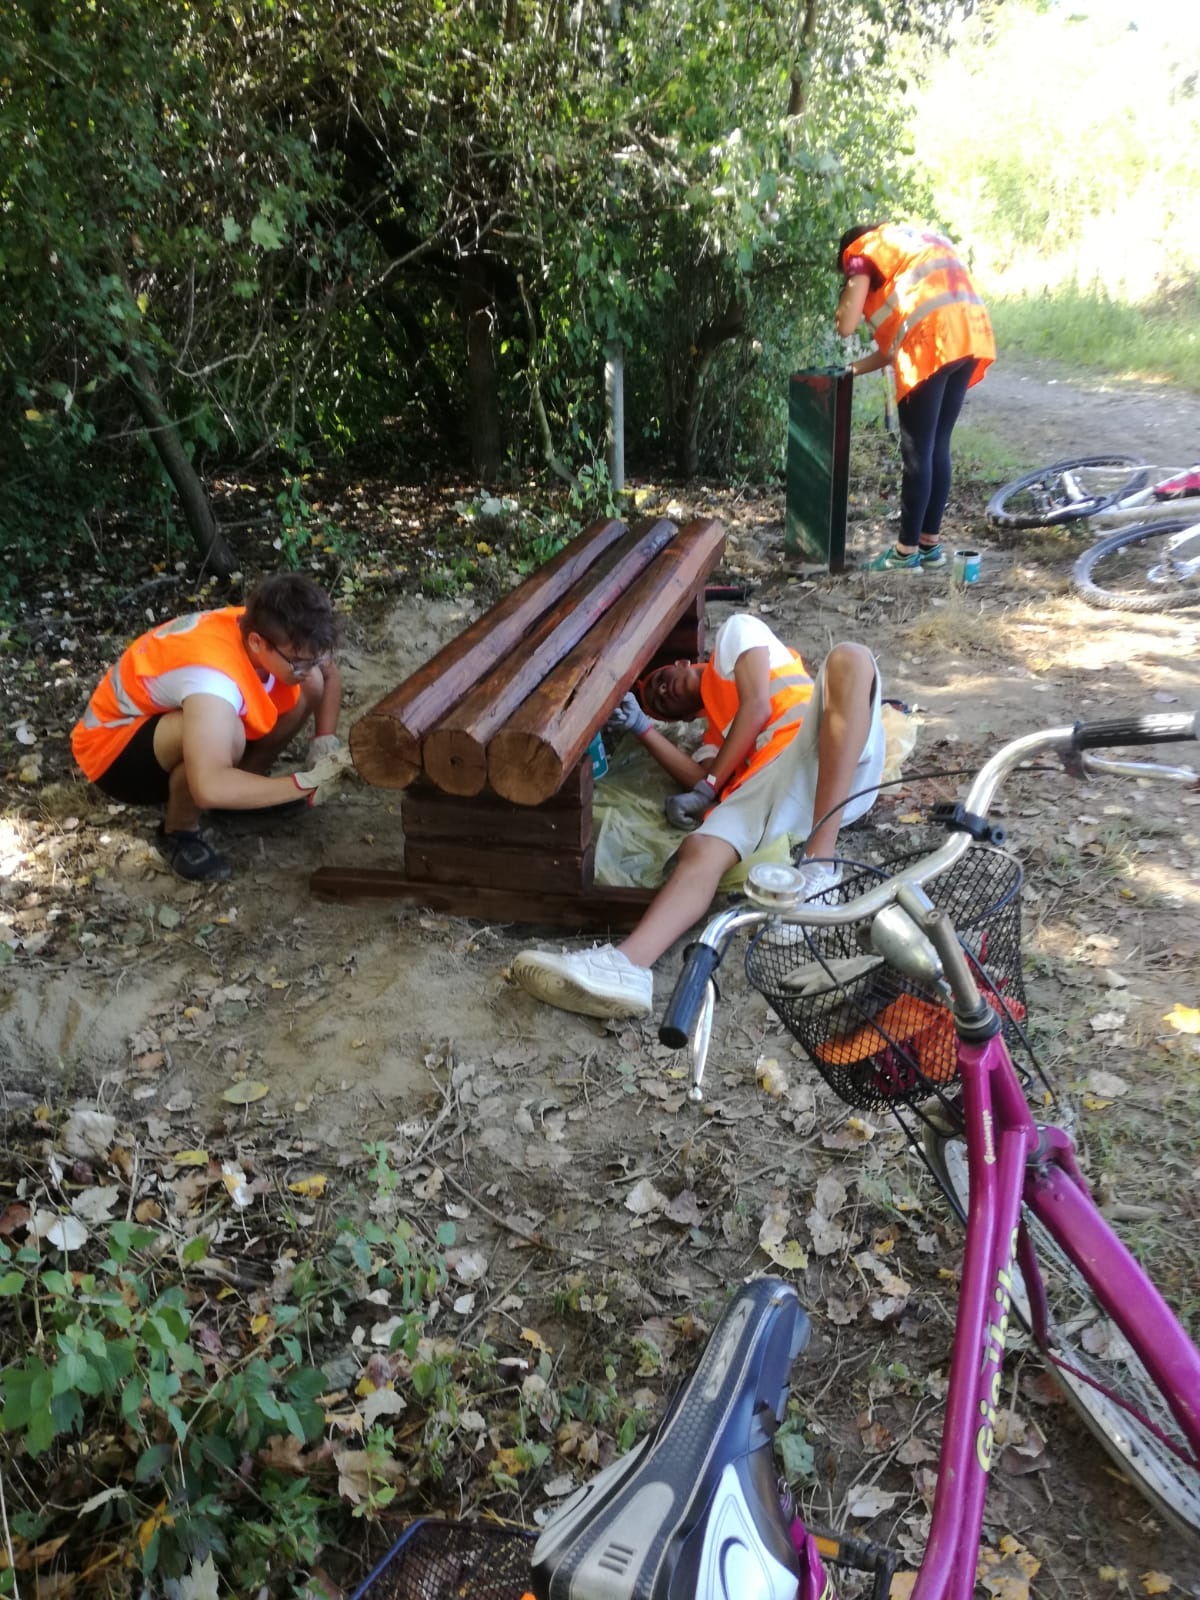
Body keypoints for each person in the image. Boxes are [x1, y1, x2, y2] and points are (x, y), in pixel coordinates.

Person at [511, 613, 886, 1020]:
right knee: (701, 847)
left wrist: (707, 787)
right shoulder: (714, 740)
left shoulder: (735, 634)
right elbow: (702, 779)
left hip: (829, 751)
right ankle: (626, 966)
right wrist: (642, 727)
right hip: (776, 788)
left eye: (659, 680)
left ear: (685, 662)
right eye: (658, 704)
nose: (661, 692)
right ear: (686, 721)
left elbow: (757, 707)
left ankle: (819, 869)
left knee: (850, 657)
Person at [70, 573, 344, 883]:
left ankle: (243, 791)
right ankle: (179, 831)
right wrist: (304, 783)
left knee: (310, 684)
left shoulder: (270, 629)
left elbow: (326, 671)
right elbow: (209, 786)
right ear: (257, 643)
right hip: (113, 753)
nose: (305, 667)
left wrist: (325, 741)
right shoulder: (210, 678)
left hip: (167, 723)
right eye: (297, 662)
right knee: (229, 737)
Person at [836, 222, 995, 572]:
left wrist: (844, 304)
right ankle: (928, 547)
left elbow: (845, 324)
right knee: (938, 443)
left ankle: (905, 553)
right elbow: (892, 350)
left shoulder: (861, 253)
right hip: (968, 333)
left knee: (917, 450)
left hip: (933, 339)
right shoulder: (906, 246)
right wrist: (850, 369)